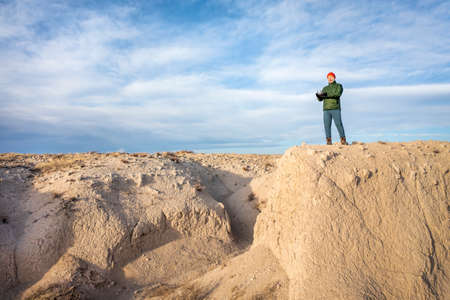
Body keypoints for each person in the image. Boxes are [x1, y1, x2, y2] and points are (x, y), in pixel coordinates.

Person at [315, 72, 348, 145]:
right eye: (328, 77)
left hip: (335, 108)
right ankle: (328, 141)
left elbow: (337, 94)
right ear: (327, 79)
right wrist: (319, 96)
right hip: (326, 109)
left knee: (338, 124)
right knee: (326, 125)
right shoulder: (325, 88)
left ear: (334, 78)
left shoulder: (338, 86)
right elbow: (321, 99)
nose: (330, 78)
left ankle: (343, 140)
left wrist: (326, 95)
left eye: (331, 77)